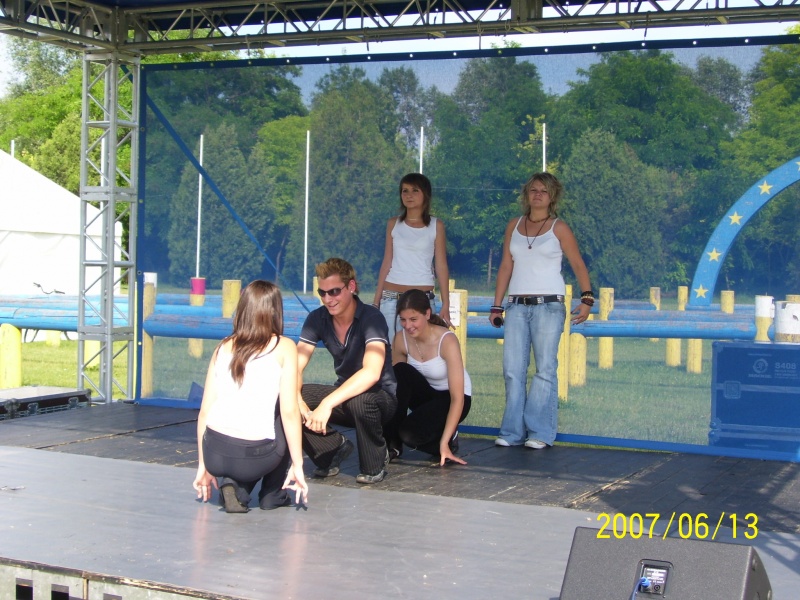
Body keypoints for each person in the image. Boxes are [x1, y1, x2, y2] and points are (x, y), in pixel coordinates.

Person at [490, 172, 592, 450]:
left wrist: (587, 299)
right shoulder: (513, 225)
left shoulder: (559, 228)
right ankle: (512, 432)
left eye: (543, 191)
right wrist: (497, 305)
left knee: (545, 368)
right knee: (513, 369)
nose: (537, 195)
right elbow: (506, 266)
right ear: (526, 194)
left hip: (549, 305)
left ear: (552, 197)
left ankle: (539, 432)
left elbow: (578, 264)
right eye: (533, 190)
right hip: (516, 306)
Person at [193, 280, 308, 513]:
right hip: (254, 456)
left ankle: (235, 488)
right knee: (282, 410)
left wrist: (203, 465)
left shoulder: (223, 347)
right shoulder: (284, 346)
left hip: (214, 452)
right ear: (275, 311)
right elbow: (289, 411)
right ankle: (272, 494)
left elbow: (205, 412)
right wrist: (298, 465)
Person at [298, 258, 398, 484]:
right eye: (322, 293)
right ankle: (332, 449)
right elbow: (294, 366)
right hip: (344, 395)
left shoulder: (372, 318)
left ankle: (376, 461)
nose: (328, 299)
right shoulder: (317, 318)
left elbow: (372, 372)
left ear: (351, 287)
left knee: (360, 401)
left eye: (334, 292)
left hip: (381, 397)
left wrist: (326, 404)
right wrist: (297, 400)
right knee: (287, 397)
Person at [389, 289, 471, 466]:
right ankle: (392, 445)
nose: (408, 326)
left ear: (427, 314)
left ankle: (447, 441)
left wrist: (443, 442)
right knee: (399, 371)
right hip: (427, 396)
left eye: (413, 319)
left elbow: (458, 398)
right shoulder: (400, 339)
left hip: (453, 398)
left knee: (409, 434)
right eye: (403, 320)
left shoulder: (447, 340)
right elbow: (397, 389)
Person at [373, 173, 452, 334]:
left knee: (421, 348)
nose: (409, 195)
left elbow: (441, 266)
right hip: (391, 299)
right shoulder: (393, 224)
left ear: (426, 194)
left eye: (415, 190)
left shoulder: (436, 225)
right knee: (391, 347)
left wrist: (446, 303)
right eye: (405, 191)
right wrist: (376, 301)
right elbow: (387, 262)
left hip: (423, 299)